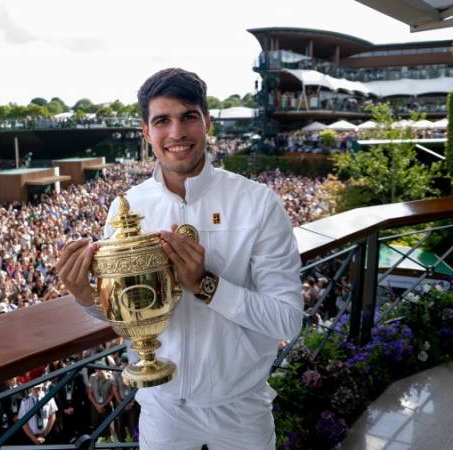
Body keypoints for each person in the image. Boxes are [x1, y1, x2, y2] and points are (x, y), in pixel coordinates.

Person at [56, 68, 302, 449]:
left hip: (241, 407)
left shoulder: (258, 203)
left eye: (188, 116)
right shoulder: (126, 208)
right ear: (146, 131)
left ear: (207, 121)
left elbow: (287, 319)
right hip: (162, 407)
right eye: (162, 121)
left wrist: (207, 285)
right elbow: (127, 317)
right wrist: (87, 298)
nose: (177, 133)